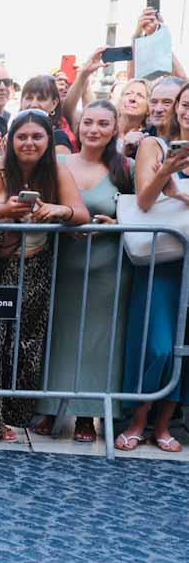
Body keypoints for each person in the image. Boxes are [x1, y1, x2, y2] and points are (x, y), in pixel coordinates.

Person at [0, 111, 88, 444]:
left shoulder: (58, 170)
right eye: (22, 136)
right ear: (11, 139)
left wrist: (59, 211)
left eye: (37, 136)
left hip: (35, 265)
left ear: (48, 140)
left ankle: (9, 416)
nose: (29, 143)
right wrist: (3, 211)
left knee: (25, 344)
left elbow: (80, 213)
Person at [32, 100, 134, 444]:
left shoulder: (127, 168)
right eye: (88, 122)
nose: (94, 129)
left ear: (114, 129)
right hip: (61, 264)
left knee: (98, 341)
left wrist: (116, 224)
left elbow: (144, 212)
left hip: (108, 269)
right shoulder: (57, 162)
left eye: (103, 123)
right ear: (78, 126)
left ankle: (87, 414)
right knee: (56, 334)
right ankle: (49, 408)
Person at [115, 83, 189, 453]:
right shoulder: (154, 146)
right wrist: (167, 176)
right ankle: (139, 419)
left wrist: (180, 194)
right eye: (184, 104)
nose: (187, 112)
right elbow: (144, 200)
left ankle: (163, 426)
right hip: (161, 260)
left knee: (184, 346)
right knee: (158, 345)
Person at [19, 75, 75, 154]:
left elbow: (61, 164)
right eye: (29, 98)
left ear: (54, 103)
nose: (34, 104)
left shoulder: (59, 138)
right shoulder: (13, 133)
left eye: (41, 99)